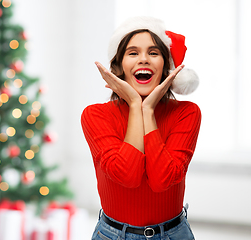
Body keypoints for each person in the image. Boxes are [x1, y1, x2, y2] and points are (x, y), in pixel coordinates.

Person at [81, 16, 201, 240]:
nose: (143, 59)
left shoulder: (187, 112)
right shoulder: (95, 115)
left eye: (154, 53)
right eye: (133, 53)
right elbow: (128, 176)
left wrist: (148, 112)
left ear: (167, 67)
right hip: (112, 234)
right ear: (119, 67)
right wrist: (136, 106)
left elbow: (162, 180)